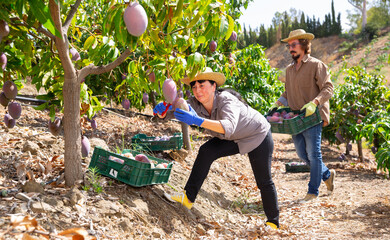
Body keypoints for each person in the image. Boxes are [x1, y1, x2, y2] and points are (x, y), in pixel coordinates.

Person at [153, 67, 280, 229]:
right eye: (194, 86)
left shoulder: (226, 100)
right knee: (206, 151)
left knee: (263, 180)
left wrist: (197, 121)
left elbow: (228, 127)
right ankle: (188, 197)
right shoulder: (194, 102)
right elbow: (176, 111)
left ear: (213, 86)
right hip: (231, 137)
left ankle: (273, 222)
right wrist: (163, 112)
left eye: (202, 85)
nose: (198, 90)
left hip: (257, 134)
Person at [270, 29, 336, 203]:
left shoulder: (316, 65)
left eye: (294, 45)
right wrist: (278, 103)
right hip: (295, 119)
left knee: (314, 154)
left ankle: (313, 191)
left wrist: (315, 102)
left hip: (312, 116)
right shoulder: (290, 69)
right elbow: (288, 91)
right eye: (289, 45)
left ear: (304, 45)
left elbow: (328, 88)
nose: (290, 48)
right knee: (302, 154)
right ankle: (327, 174)